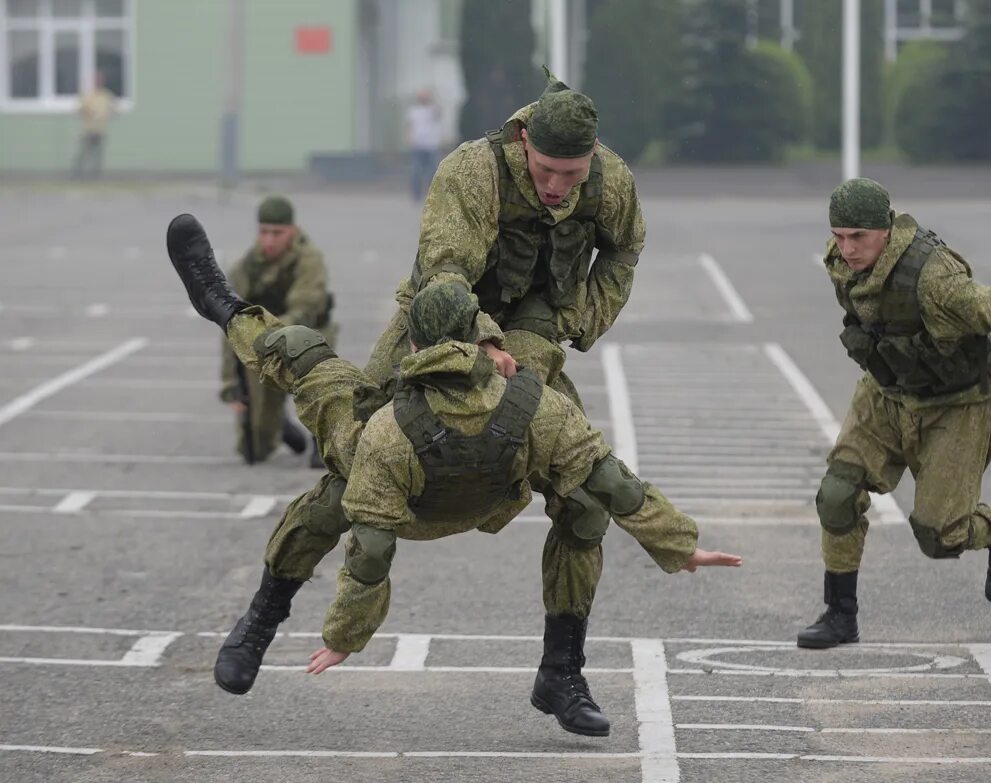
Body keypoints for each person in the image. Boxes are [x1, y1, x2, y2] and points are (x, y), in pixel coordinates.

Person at [166, 214, 741, 737]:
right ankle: (564, 668)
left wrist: (344, 638)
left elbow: (370, 548)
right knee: (586, 502)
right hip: (488, 499)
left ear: (409, 344)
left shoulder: (385, 432)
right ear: (484, 343)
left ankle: (221, 306)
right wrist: (677, 546)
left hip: (399, 493)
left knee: (301, 372)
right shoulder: (536, 403)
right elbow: (610, 479)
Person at [200, 66, 657, 710]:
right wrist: (481, 340)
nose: (557, 188)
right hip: (438, 319)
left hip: (534, 331)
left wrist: (578, 320)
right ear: (523, 137)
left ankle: (561, 670)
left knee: (582, 496)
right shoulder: (471, 172)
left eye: (571, 176)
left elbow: (624, 250)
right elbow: (446, 274)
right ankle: (261, 622)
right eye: (546, 171)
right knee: (353, 469)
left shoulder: (611, 183)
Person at [796, 178, 991, 650]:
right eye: (839, 235)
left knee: (940, 535)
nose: (845, 248)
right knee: (836, 495)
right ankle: (840, 617)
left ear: (886, 230)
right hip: (887, 393)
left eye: (858, 237)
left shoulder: (936, 280)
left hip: (956, 404)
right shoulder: (839, 261)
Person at [219, 196, 336, 468]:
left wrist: (260, 340)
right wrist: (231, 385)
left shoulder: (309, 261)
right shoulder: (247, 267)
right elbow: (230, 325)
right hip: (265, 345)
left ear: (292, 231)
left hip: (310, 339)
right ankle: (278, 425)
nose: (269, 241)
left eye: (277, 233)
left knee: (324, 390)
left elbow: (302, 312)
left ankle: (324, 437)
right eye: (263, 232)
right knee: (253, 451)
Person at [72, 70, 116, 180]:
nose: (98, 82)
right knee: (84, 153)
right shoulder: (88, 96)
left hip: (100, 130)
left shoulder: (106, 95)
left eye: (100, 80)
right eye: (96, 80)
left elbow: (113, 110)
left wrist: (109, 114)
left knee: (98, 155)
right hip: (88, 130)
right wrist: (87, 113)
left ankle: (96, 176)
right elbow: (79, 109)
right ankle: (77, 175)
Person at [405, 89, 442, 202]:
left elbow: (439, 114)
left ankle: (432, 194)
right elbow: (409, 125)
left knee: (433, 171)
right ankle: (416, 194)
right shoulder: (413, 110)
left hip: (431, 145)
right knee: (416, 171)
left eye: (426, 96)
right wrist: (408, 137)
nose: (424, 99)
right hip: (417, 145)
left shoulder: (432, 109)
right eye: (422, 96)